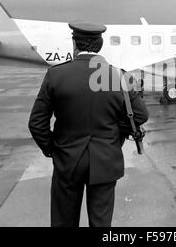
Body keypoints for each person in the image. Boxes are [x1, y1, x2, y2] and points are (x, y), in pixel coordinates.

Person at [28, 22, 149, 227]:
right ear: (100, 45)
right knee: (101, 222)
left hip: (67, 160)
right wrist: (116, 132)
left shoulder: (57, 75)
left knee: (63, 220)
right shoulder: (119, 76)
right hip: (105, 159)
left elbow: (36, 123)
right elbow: (141, 115)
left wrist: (53, 149)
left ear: (74, 44)